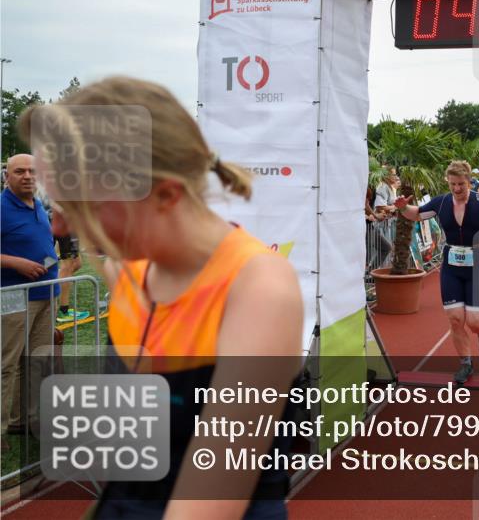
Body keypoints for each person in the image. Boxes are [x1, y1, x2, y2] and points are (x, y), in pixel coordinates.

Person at [21, 77, 303, 519]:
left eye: (80, 204)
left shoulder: (259, 289)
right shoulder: (130, 270)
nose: (59, 227)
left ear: (166, 194)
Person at [395, 161, 479, 384]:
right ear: (448, 182)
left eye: (461, 185)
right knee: (455, 319)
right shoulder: (442, 201)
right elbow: (416, 214)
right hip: (451, 267)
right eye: (453, 184)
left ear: (469, 182)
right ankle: (465, 363)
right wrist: (402, 207)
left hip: (475, 265)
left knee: (475, 322)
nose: (457, 189)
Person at [1, 154, 60, 440]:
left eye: (32, 171)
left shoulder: (36, 203)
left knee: (35, 361)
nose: (27, 176)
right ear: (7, 176)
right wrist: (14, 263)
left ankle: (23, 420)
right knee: (7, 365)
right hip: (13, 297)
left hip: (47, 294)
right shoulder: (1, 206)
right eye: (19, 171)